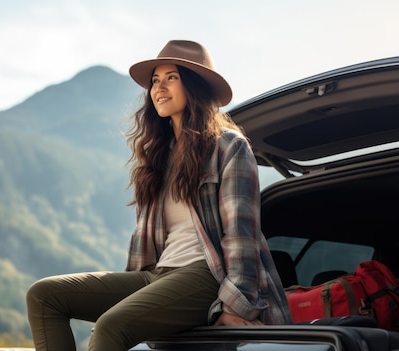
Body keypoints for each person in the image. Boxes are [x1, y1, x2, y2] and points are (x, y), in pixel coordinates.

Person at [25, 39, 293, 351]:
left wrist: (236, 303)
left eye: (171, 78)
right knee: (44, 296)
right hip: (159, 274)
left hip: (208, 274)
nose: (158, 88)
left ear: (195, 86)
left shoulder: (228, 146)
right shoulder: (157, 156)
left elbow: (240, 234)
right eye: (155, 80)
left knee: (111, 326)